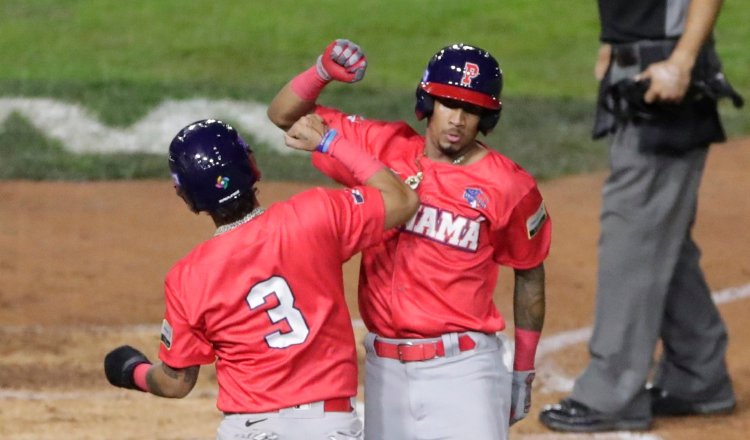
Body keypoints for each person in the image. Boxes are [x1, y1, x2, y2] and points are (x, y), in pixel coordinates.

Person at [267, 39, 552, 439]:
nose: (458, 119)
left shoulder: (509, 186)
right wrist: (321, 72)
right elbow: (283, 115)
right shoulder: (380, 148)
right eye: (449, 103)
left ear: (486, 116)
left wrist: (522, 370)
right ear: (428, 101)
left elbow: (529, 271)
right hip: (385, 371)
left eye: (471, 109)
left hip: (463, 372)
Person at [102, 117, 419, 440]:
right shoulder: (315, 215)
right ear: (251, 165)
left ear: (186, 197)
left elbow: (175, 382)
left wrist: (132, 371)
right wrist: (331, 142)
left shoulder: (189, 277)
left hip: (250, 431)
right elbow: (402, 200)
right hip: (328, 427)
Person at [539, 0, 742, 432]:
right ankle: (698, 372)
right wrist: (613, 42)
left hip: (666, 76)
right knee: (660, 232)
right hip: (637, 67)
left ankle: (612, 391)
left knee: (630, 234)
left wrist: (684, 59)